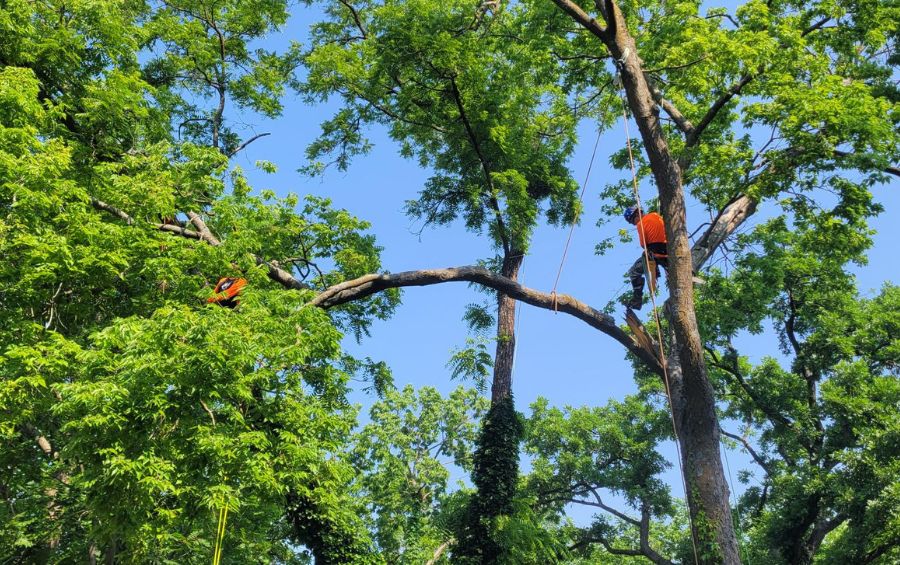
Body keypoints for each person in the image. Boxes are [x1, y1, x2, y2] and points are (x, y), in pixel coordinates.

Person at [624, 205, 668, 310]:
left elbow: (644, 244)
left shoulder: (640, 224)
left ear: (636, 216)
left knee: (633, 272)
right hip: (667, 251)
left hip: (655, 252)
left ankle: (637, 301)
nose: (633, 224)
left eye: (632, 221)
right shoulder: (656, 215)